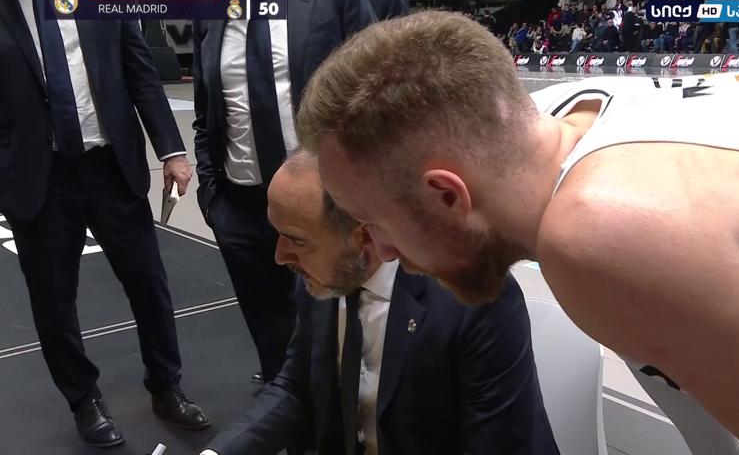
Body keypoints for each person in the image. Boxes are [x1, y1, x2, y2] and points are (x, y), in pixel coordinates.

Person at [297, 11, 739, 454]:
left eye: (376, 222)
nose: (383, 250)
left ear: (446, 195)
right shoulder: (561, 115)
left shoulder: (603, 230)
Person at [198, 152, 559, 455]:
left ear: (365, 237)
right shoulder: (323, 274)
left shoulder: (474, 300)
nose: (280, 256)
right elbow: (296, 387)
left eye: (298, 240)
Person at [0, 0, 209, 447]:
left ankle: (166, 385)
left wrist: (171, 149)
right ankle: (83, 399)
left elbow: (139, 70)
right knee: (53, 300)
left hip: (112, 167)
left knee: (149, 282)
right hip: (39, 177)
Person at [192, 0, 376, 384]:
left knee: (341, 328)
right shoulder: (210, 5)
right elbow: (206, 114)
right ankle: (284, 398)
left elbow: (377, 89)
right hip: (239, 208)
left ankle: (343, 408)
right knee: (270, 332)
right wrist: (211, 197)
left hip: (324, 207)